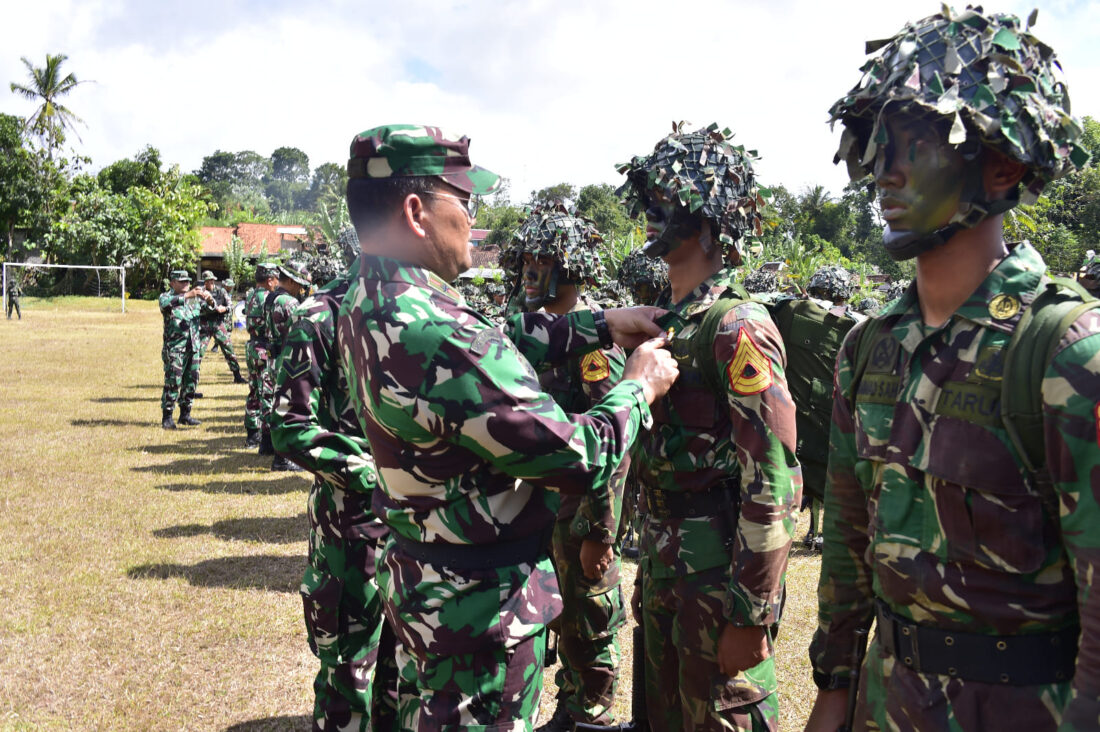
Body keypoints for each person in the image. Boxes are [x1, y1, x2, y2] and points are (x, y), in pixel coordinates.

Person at [805, 8, 1098, 731]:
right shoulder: (868, 349)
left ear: (1000, 165)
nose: (885, 170)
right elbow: (846, 540)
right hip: (885, 700)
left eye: (916, 143)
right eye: (877, 145)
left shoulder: (1064, 352)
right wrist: (835, 685)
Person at [334, 124, 678, 730]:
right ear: (417, 211)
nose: (473, 216)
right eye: (463, 200)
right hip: (479, 609)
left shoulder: (370, 298)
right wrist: (639, 386)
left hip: (426, 583)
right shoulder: (443, 335)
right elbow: (578, 457)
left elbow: (497, 339)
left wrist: (600, 323)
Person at [616, 123, 801, 731]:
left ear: (702, 224)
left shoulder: (735, 326)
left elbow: (771, 479)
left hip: (718, 577)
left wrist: (750, 614)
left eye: (663, 203)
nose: (648, 214)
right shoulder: (666, 322)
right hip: (667, 566)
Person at [500, 206, 630, 731]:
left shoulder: (594, 346)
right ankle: (569, 703)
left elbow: (614, 448)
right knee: (560, 616)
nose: (531, 271)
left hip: (581, 512)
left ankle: (591, 713)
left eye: (544, 260)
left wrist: (599, 532)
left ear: (572, 268)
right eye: (526, 258)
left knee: (589, 618)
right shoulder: (533, 331)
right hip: (540, 507)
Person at [270, 259, 399, 732]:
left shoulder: (418, 306)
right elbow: (288, 427)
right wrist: (373, 472)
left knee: (402, 675)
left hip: (416, 532)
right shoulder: (323, 312)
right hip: (352, 529)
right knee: (349, 676)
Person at [262, 260, 312, 472]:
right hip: (286, 359)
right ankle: (282, 458)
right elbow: (302, 330)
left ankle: (267, 445)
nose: (301, 289)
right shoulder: (289, 303)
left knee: (273, 403)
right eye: (299, 284)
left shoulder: (270, 297)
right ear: (290, 281)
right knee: (285, 407)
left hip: (272, 357)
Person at [158, 270, 213, 429]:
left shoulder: (195, 298)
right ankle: (167, 416)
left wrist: (209, 300)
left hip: (193, 346)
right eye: (181, 281)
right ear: (172, 283)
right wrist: (189, 295)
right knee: (173, 382)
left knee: (191, 381)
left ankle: (185, 414)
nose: (186, 284)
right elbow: (165, 305)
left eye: (188, 281)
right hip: (175, 348)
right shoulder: (166, 297)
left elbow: (212, 308)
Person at [244, 264, 280, 448]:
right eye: (276, 279)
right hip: (263, 348)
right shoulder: (269, 298)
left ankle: (252, 434)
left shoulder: (250, 295)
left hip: (252, 346)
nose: (277, 283)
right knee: (267, 392)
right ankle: (267, 439)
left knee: (254, 391)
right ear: (269, 280)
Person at [197, 271, 246, 384]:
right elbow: (203, 307)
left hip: (219, 324)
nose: (211, 282)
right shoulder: (200, 292)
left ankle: (237, 376)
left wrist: (225, 309)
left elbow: (230, 304)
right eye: (208, 281)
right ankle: (193, 378)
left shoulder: (221, 291)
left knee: (229, 350)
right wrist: (215, 308)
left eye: (212, 280)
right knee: (198, 352)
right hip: (205, 325)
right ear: (204, 282)